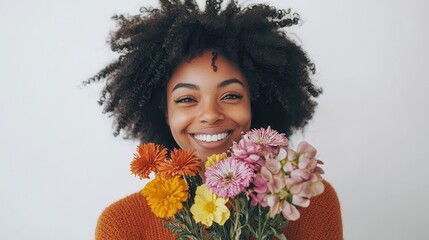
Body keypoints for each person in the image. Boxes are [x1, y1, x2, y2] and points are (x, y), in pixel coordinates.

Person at [88, 0, 343, 239]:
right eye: (187, 99)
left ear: (255, 103)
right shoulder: (122, 226)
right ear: (165, 113)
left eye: (231, 95)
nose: (210, 114)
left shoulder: (311, 203)